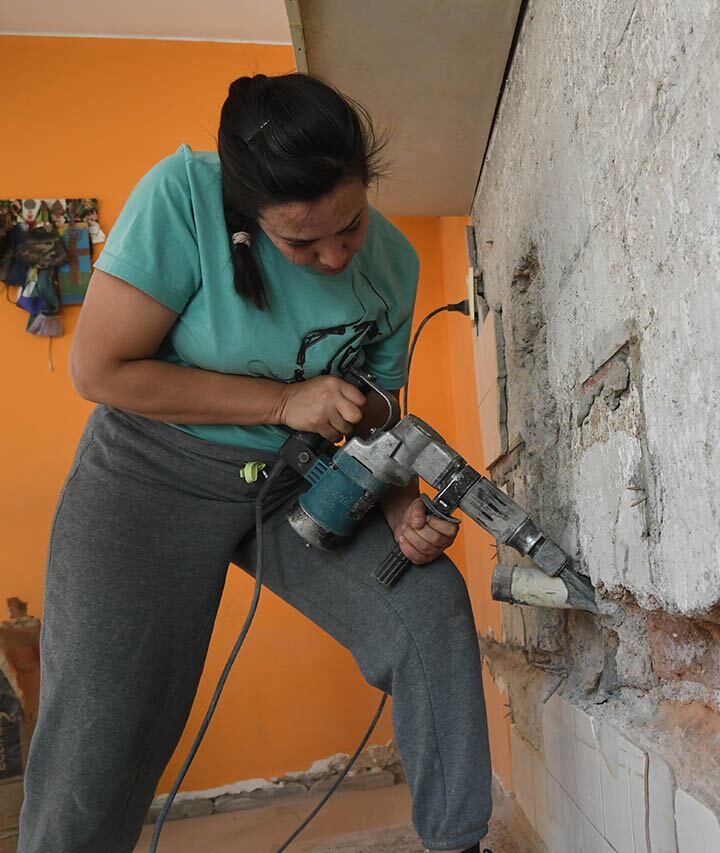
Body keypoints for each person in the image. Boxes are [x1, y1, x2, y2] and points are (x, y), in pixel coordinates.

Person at [18, 73, 492, 853]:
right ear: (248, 212)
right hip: (148, 474)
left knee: (425, 607)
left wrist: (397, 498)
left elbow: (377, 409)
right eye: (303, 244)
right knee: (102, 728)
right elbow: (99, 371)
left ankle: (457, 842)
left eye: (350, 225)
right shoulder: (183, 197)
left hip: (295, 480)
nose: (337, 256)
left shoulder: (395, 265)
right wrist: (281, 404)